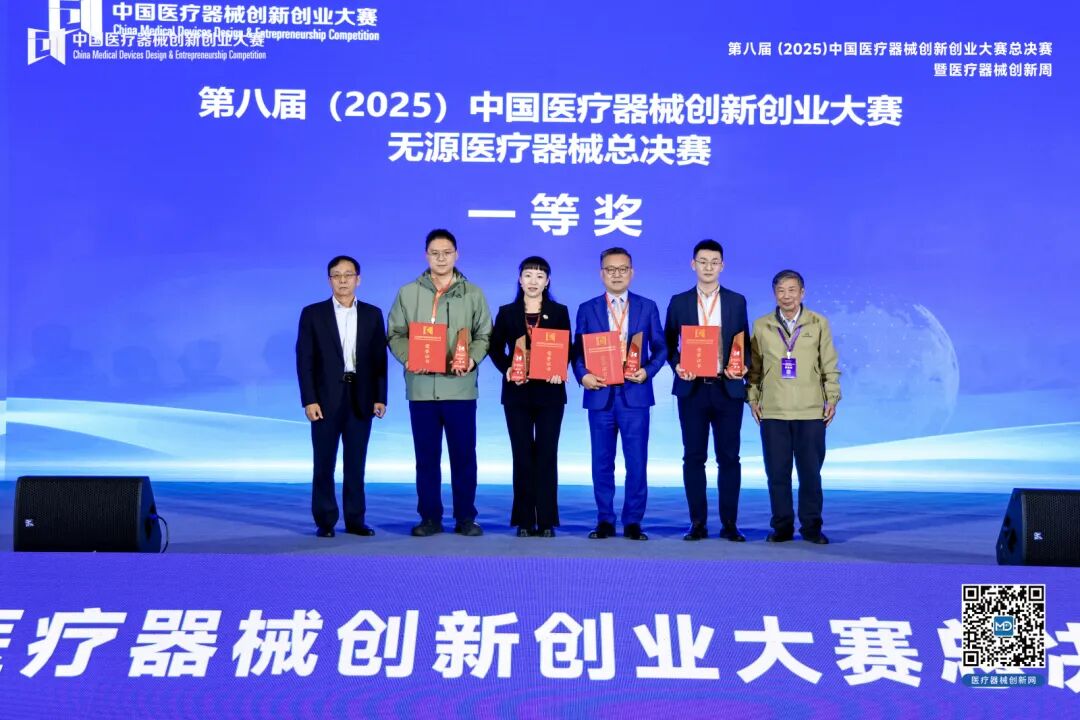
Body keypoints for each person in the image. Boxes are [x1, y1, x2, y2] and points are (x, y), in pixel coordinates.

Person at [387, 229, 492, 537]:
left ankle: (465, 518)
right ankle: (429, 518)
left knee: (464, 458)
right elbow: (395, 334)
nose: (441, 258)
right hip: (421, 389)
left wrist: (471, 359)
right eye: (435, 253)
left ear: (456, 255)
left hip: (460, 389)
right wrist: (408, 358)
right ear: (426, 256)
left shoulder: (473, 293)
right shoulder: (408, 293)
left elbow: (484, 335)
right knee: (426, 460)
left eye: (446, 253)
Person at [572, 247, 667, 541]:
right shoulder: (587, 308)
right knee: (601, 462)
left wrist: (647, 372)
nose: (617, 274)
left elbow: (661, 348)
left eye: (622, 269)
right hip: (600, 394)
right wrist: (583, 375)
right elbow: (577, 351)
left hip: (635, 395)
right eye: (610, 269)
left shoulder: (647, 306)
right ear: (601, 273)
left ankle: (633, 521)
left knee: (636, 462)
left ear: (631, 272)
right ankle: (605, 520)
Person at [663, 239, 750, 542]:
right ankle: (697, 523)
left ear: (722, 266)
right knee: (693, 457)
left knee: (729, 458)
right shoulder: (679, 301)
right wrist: (677, 365)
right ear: (693, 265)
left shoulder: (737, 301)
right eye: (703, 261)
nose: (708, 267)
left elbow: (745, 343)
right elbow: (667, 343)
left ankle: (730, 524)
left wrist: (743, 366)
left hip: (727, 388)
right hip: (693, 389)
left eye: (714, 262)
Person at [296, 255, 388, 538]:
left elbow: (379, 360)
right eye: (337, 275)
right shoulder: (313, 313)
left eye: (348, 275)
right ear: (329, 281)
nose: (343, 280)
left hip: (361, 397)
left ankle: (355, 520)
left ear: (358, 279)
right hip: (324, 400)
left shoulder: (372, 314)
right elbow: (304, 360)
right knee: (324, 463)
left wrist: (380, 397)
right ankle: (325, 521)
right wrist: (309, 399)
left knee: (356, 464)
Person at [747, 270, 841, 544]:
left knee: (810, 474)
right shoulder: (762, 325)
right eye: (781, 290)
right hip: (773, 410)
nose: (786, 296)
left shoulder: (818, 323)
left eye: (792, 290)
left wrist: (832, 397)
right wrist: (752, 398)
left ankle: (811, 528)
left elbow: (829, 364)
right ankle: (782, 527)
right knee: (777, 474)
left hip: (810, 411)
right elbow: (754, 368)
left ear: (802, 293)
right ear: (774, 294)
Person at [489, 256, 571, 538]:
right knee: (522, 456)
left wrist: (559, 369)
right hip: (517, 394)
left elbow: (567, 347)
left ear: (547, 281)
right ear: (519, 279)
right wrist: (507, 368)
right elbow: (495, 348)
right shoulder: (507, 312)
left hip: (550, 394)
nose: (533, 281)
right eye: (528, 275)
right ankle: (524, 520)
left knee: (547, 456)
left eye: (539, 276)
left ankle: (546, 520)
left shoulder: (559, 312)